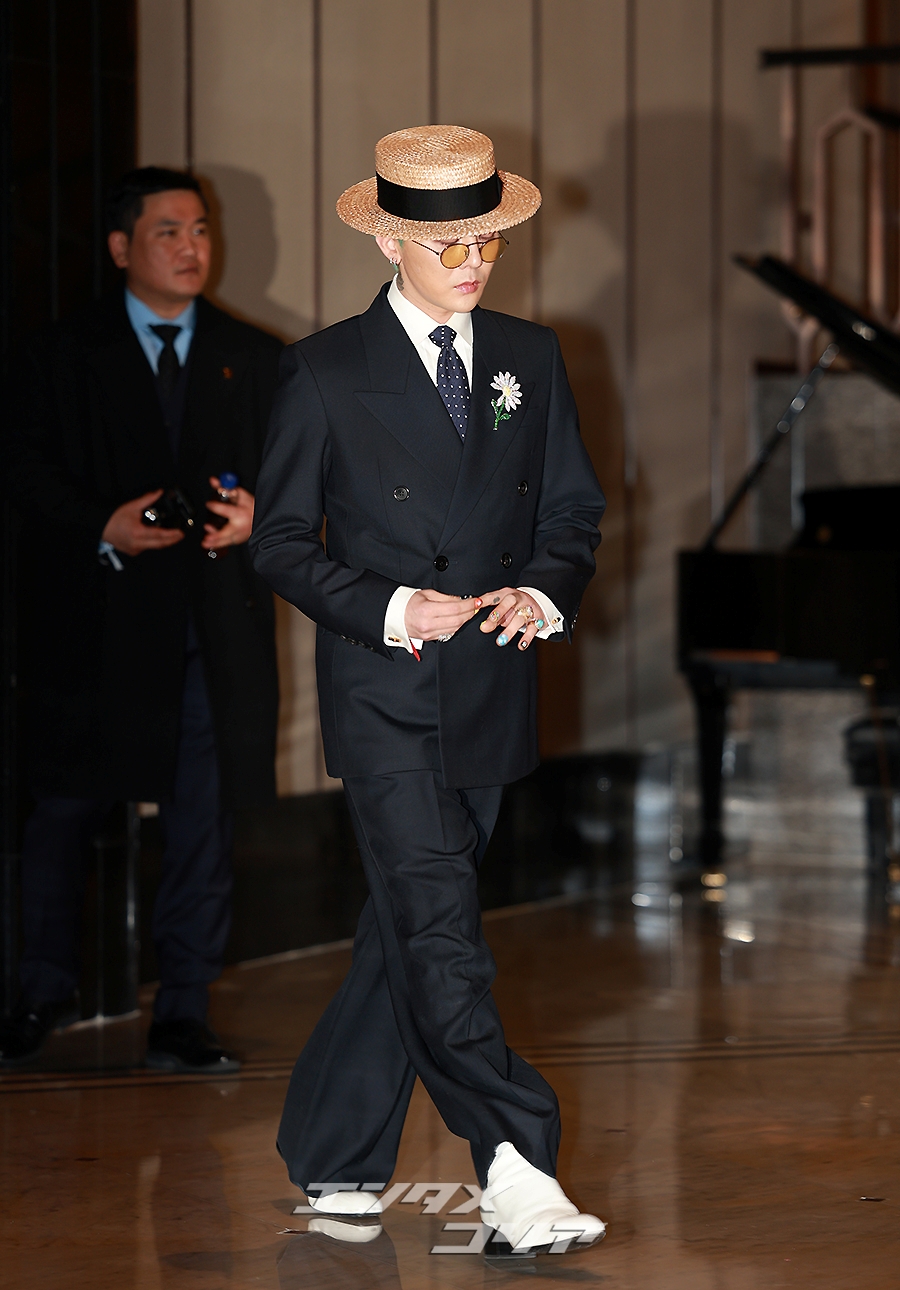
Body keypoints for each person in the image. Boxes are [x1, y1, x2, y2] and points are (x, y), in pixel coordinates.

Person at [250, 126, 607, 1255]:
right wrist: (396, 606)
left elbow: (571, 511)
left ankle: (333, 1150)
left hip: (492, 684)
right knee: (443, 933)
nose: (474, 262)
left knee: (406, 929)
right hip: (386, 694)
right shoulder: (322, 370)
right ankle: (516, 1161)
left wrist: (540, 594)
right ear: (390, 242)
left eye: (489, 240)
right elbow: (280, 544)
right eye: (450, 244)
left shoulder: (530, 355)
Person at [2, 167, 282, 1072]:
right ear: (122, 247)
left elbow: (296, 478)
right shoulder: (57, 354)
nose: (192, 247)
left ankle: (184, 1011)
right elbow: (24, 472)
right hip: (93, 625)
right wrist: (102, 523)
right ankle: (39, 990)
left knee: (202, 822)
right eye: (169, 231)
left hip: (207, 630)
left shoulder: (254, 355)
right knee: (60, 813)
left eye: (201, 229)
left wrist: (261, 518)